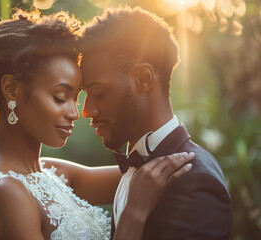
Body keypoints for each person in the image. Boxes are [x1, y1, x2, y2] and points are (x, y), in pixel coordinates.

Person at [0, 9, 193, 240]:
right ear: (11, 89)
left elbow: (149, 173)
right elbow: (140, 189)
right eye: (59, 97)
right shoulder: (6, 193)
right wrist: (133, 215)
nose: (75, 113)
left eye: (75, 98)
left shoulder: (51, 172)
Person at [80, 6, 233, 240]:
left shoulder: (194, 182)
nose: (86, 110)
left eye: (99, 92)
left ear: (143, 79)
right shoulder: (135, 171)